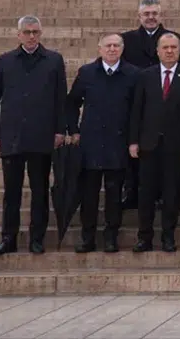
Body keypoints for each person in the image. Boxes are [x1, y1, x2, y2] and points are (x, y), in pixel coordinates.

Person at [0, 16, 68, 256]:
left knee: (40, 190)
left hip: (42, 135)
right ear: (18, 34)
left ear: (40, 33)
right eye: (27, 32)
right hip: (12, 135)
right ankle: (8, 238)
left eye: (35, 32)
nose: (32, 36)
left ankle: (37, 238)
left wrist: (60, 129)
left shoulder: (53, 60)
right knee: (12, 192)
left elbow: (60, 98)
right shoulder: (5, 61)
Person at [67, 33, 138, 254]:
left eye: (116, 46)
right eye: (108, 45)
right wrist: (74, 130)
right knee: (88, 195)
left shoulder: (133, 74)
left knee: (114, 194)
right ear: (99, 49)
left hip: (118, 144)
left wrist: (133, 140)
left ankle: (111, 237)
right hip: (91, 144)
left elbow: (137, 111)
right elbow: (71, 103)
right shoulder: (87, 73)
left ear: (122, 49)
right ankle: (87, 237)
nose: (112, 49)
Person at [129, 32, 180, 253]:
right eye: (165, 47)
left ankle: (168, 236)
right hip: (148, 145)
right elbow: (136, 111)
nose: (170, 51)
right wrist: (133, 141)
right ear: (157, 51)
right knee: (146, 194)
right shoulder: (145, 76)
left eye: (174, 47)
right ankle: (144, 237)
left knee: (171, 194)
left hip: (176, 146)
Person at [122, 0, 180, 70]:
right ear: (139, 16)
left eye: (155, 13)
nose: (151, 17)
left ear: (161, 15)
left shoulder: (176, 38)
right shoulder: (126, 39)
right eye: (146, 14)